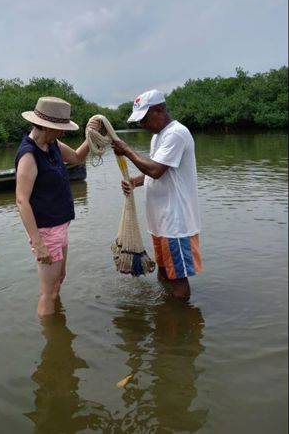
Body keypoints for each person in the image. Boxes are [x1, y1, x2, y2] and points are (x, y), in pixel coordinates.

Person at [112, 89, 202, 299]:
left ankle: (180, 323)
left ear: (159, 110)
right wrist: (135, 182)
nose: (142, 124)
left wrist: (126, 149)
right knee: (163, 273)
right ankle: (165, 317)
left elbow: (155, 169)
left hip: (176, 223)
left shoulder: (176, 133)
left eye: (144, 118)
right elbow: (158, 172)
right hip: (161, 221)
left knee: (178, 280)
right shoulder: (158, 137)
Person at [15, 96, 100, 317]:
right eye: (58, 128)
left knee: (59, 279)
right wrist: (38, 243)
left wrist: (90, 136)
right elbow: (21, 200)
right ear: (43, 126)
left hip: (59, 226)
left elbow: (77, 158)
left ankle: (57, 322)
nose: (61, 133)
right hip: (45, 231)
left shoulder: (52, 144)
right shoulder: (29, 155)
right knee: (48, 293)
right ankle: (52, 342)